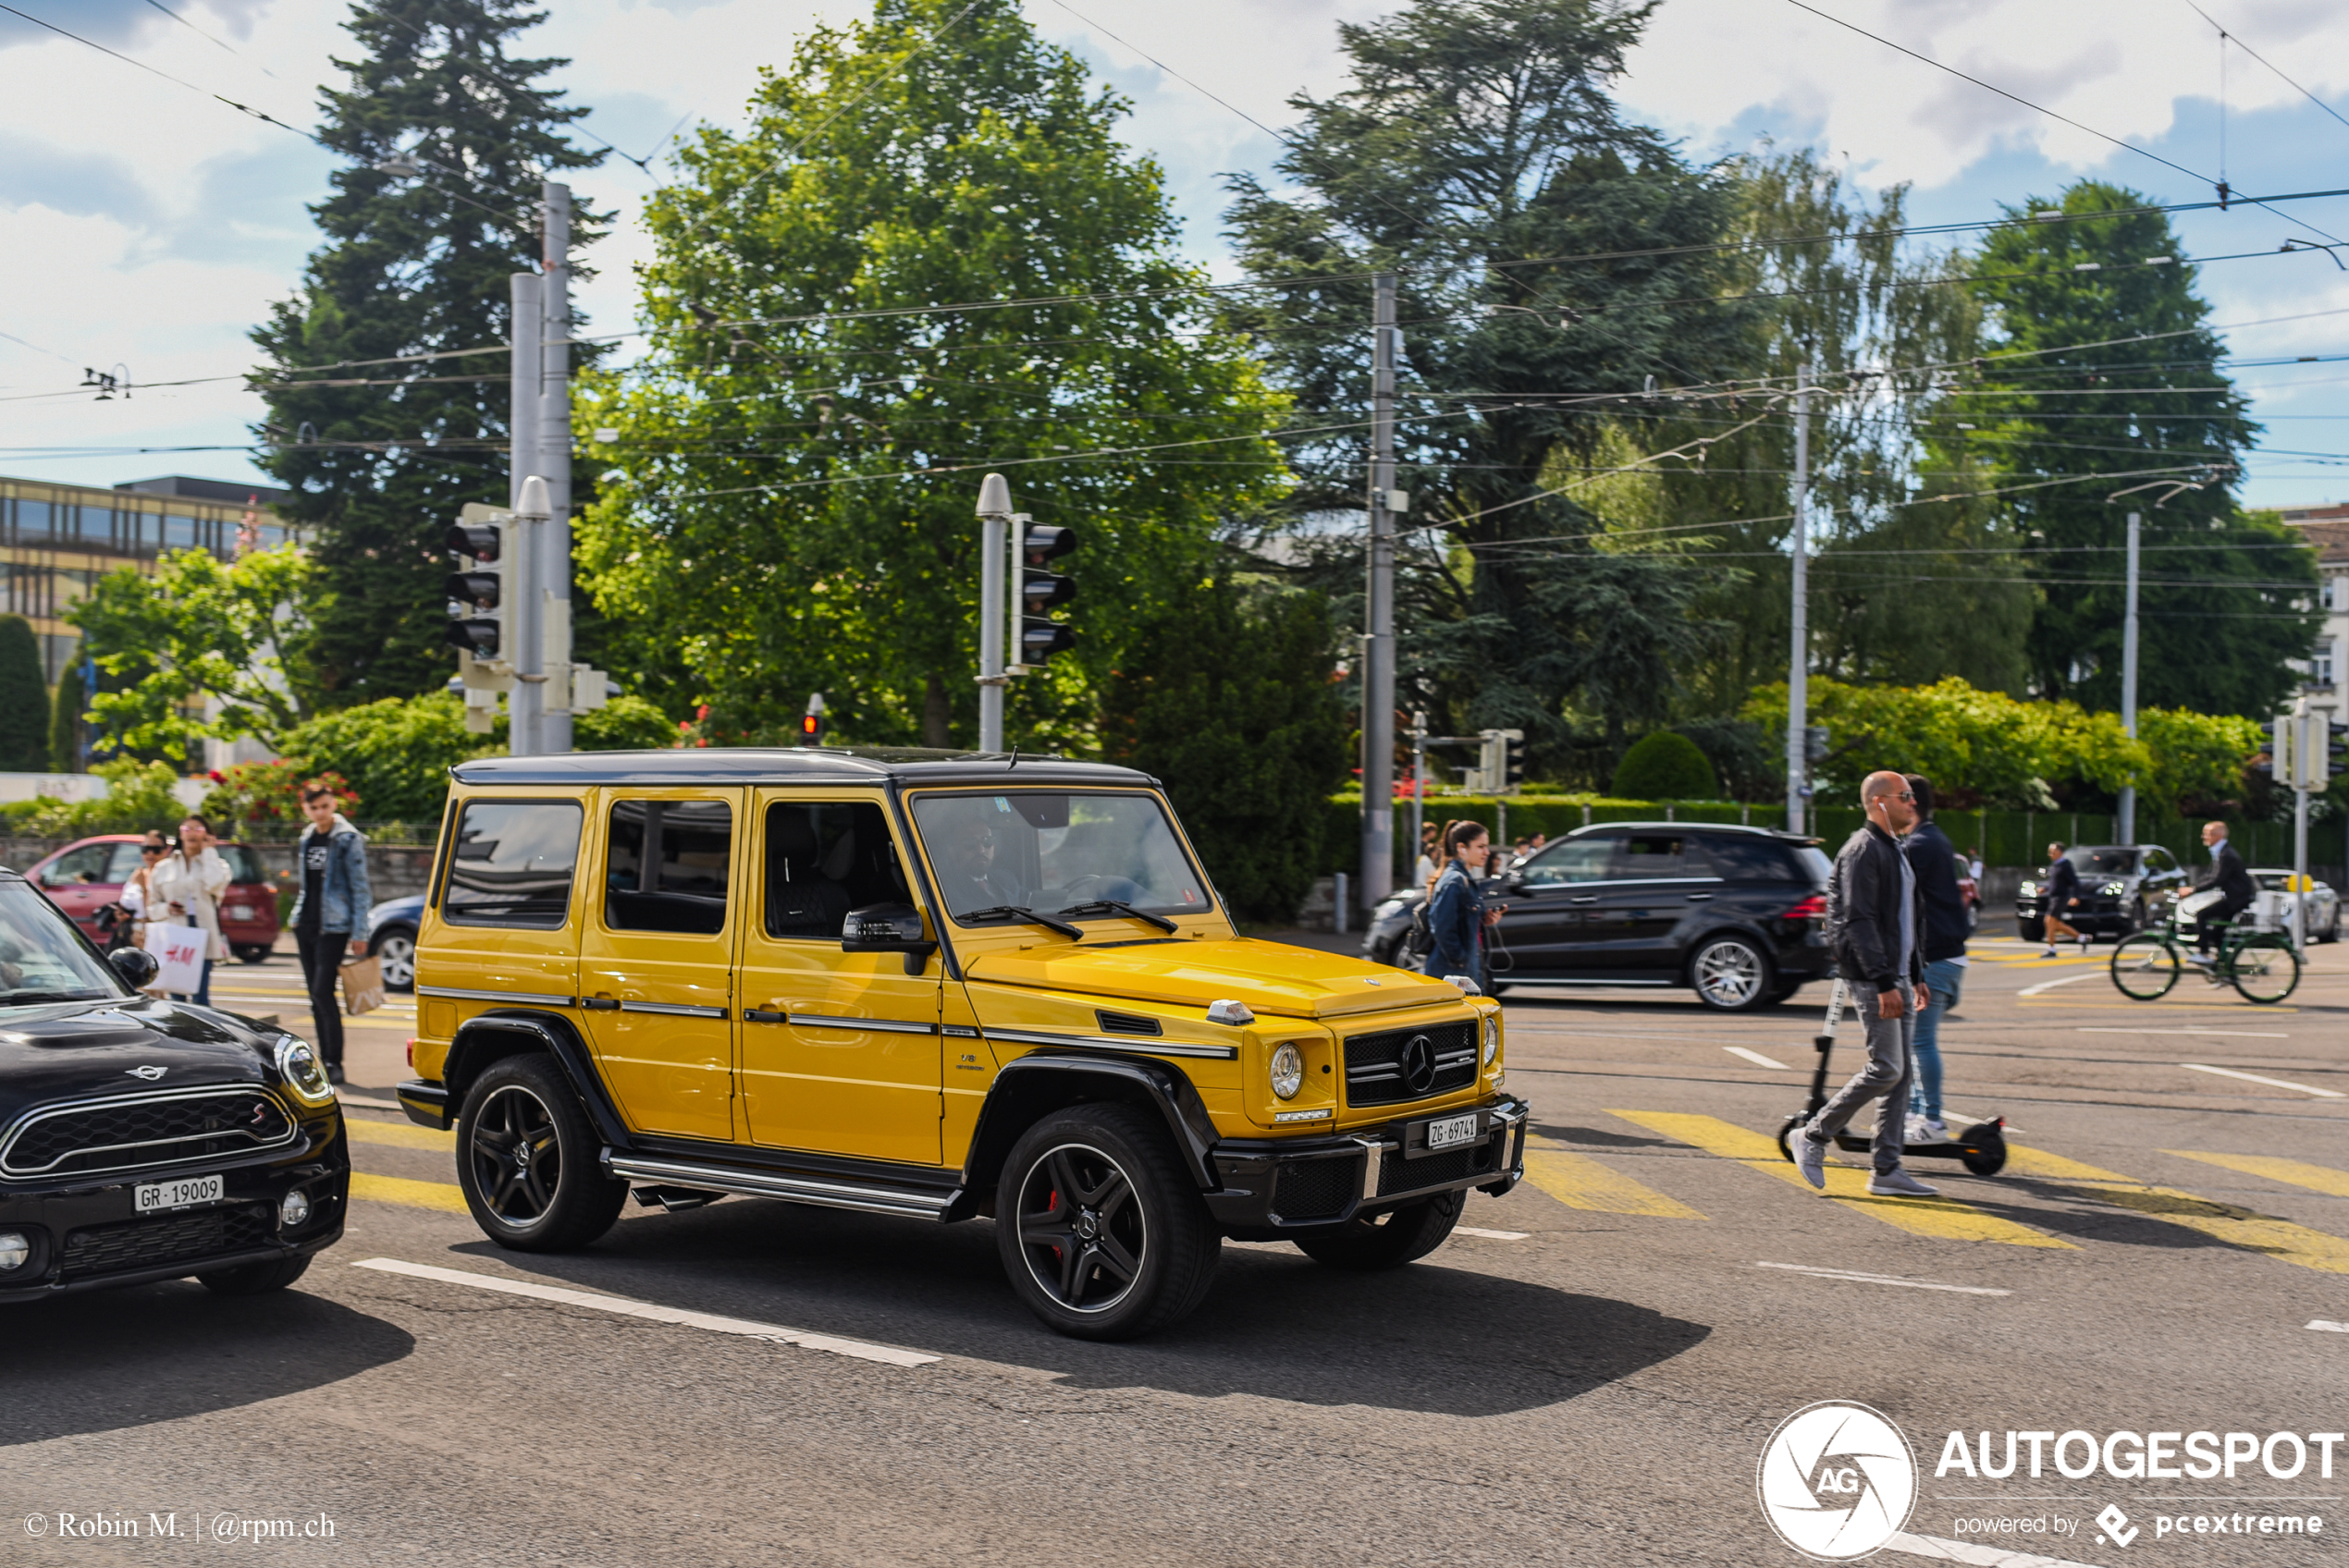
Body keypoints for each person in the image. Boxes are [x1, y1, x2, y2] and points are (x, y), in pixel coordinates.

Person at [1796, 770, 1936, 1198]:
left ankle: (1887, 1170)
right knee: (1887, 1068)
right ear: (1880, 802)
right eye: (1905, 796)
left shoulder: (1894, 849)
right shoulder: (1862, 851)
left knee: (1902, 1075)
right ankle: (1814, 1135)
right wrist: (1881, 982)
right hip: (1874, 978)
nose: (1913, 802)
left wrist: (1916, 974)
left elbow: (1905, 922)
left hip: (1895, 976)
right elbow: (1858, 921)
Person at [1900, 776, 1968, 1144]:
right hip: (1947, 957)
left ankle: (1932, 1120)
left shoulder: (1919, 845)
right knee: (1915, 1042)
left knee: (1920, 1043)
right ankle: (1916, 1115)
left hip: (1935, 959)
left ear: (1909, 802)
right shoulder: (1932, 838)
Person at [291, 784, 372, 1085]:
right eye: (314, 808)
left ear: (333, 804)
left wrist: (360, 931)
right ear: (306, 809)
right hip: (307, 924)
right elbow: (307, 885)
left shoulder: (347, 839)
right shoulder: (308, 837)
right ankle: (321, 1060)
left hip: (334, 927)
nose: (320, 812)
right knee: (315, 995)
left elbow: (360, 887)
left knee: (324, 992)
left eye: (325, 806)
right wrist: (297, 919)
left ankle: (334, 1062)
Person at [149, 815, 228, 1007]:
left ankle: (202, 1035)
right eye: (187, 829)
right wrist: (167, 908)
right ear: (179, 834)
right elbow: (151, 908)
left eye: (198, 829)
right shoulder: (163, 868)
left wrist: (209, 852)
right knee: (176, 996)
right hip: (175, 934)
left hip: (202, 933)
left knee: (200, 996)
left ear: (207, 835)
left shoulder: (218, 865)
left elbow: (215, 884)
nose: (192, 834)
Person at [1424, 819, 1504, 991]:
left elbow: (1461, 922)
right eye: (1480, 847)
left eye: (1486, 846)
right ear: (1462, 848)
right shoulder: (1455, 881)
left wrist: (1484, 919)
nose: (1487, 852)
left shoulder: (1464, 879)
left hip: (1464, 970)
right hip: (1454, 973)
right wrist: (1460, 960)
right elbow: (1442, 927)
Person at [2186, 819, 2256, 965]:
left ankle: (2204, 954)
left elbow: (2217, 879)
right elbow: (2209, 875)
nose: (2203, 837)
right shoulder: (2221, 852)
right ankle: (2224, 968)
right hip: (2236, 897)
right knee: (2217, 933)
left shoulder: (2226, 855)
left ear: (2217, 835)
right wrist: (2192, 887)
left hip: (2237, 899)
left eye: (2207, 834)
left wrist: (2193, 890)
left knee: (2202, 915)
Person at [2039, 841, 2082, 959]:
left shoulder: (2066, 866)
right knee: (2056, 924)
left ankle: (2052, 949)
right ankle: (2081, 938)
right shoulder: (2054, 865)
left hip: (2061, 898)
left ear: (2060, 852)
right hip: (2053, 897)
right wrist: (2046, 888)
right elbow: (2055, 883)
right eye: (2049, 852)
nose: (2050, 854)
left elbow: (2075, 883)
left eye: (2053, 851)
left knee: (2048, 921)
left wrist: (2075, 897)